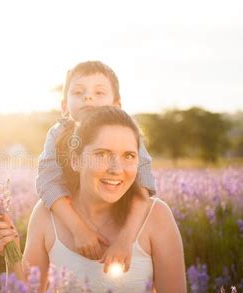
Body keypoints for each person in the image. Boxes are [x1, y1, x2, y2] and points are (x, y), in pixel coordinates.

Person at [0, 106, 186, 293]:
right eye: (102, 154)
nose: (116, 169)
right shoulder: (47, 215)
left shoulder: (156, 216)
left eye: (128, 155)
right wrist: (12, 255)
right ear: (75, 160)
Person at [36, 61, 156, 272]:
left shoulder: (127, 134)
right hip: (72, 215)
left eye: (99, 92)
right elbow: (47, 182)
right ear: (64, 106)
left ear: (117, 106)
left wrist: (125, 239)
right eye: (78, 92)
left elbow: (143, 184)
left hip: (120, 216)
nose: (88, 97)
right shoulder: (57, 134)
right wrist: (78, 229)